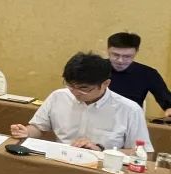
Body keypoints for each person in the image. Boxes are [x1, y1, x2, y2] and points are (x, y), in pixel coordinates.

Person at [10, 52, 152, 150]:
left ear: (105, 84)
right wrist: (26, 132)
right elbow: (38, 127)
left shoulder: (129, 110)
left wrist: (100, 150)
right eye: (70, 85)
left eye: (84, 88)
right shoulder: (58, 97)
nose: (75, 92)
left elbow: (143, 153)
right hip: (60, 162)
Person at [106, 32, 171, 118]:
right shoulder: (93, 68)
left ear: (136, 52)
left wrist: (169, 109)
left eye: (127, 56)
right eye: (115, 55)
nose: (120, 60)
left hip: (130, 121)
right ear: (108, 50)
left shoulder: (147, 73)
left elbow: (166, 99)